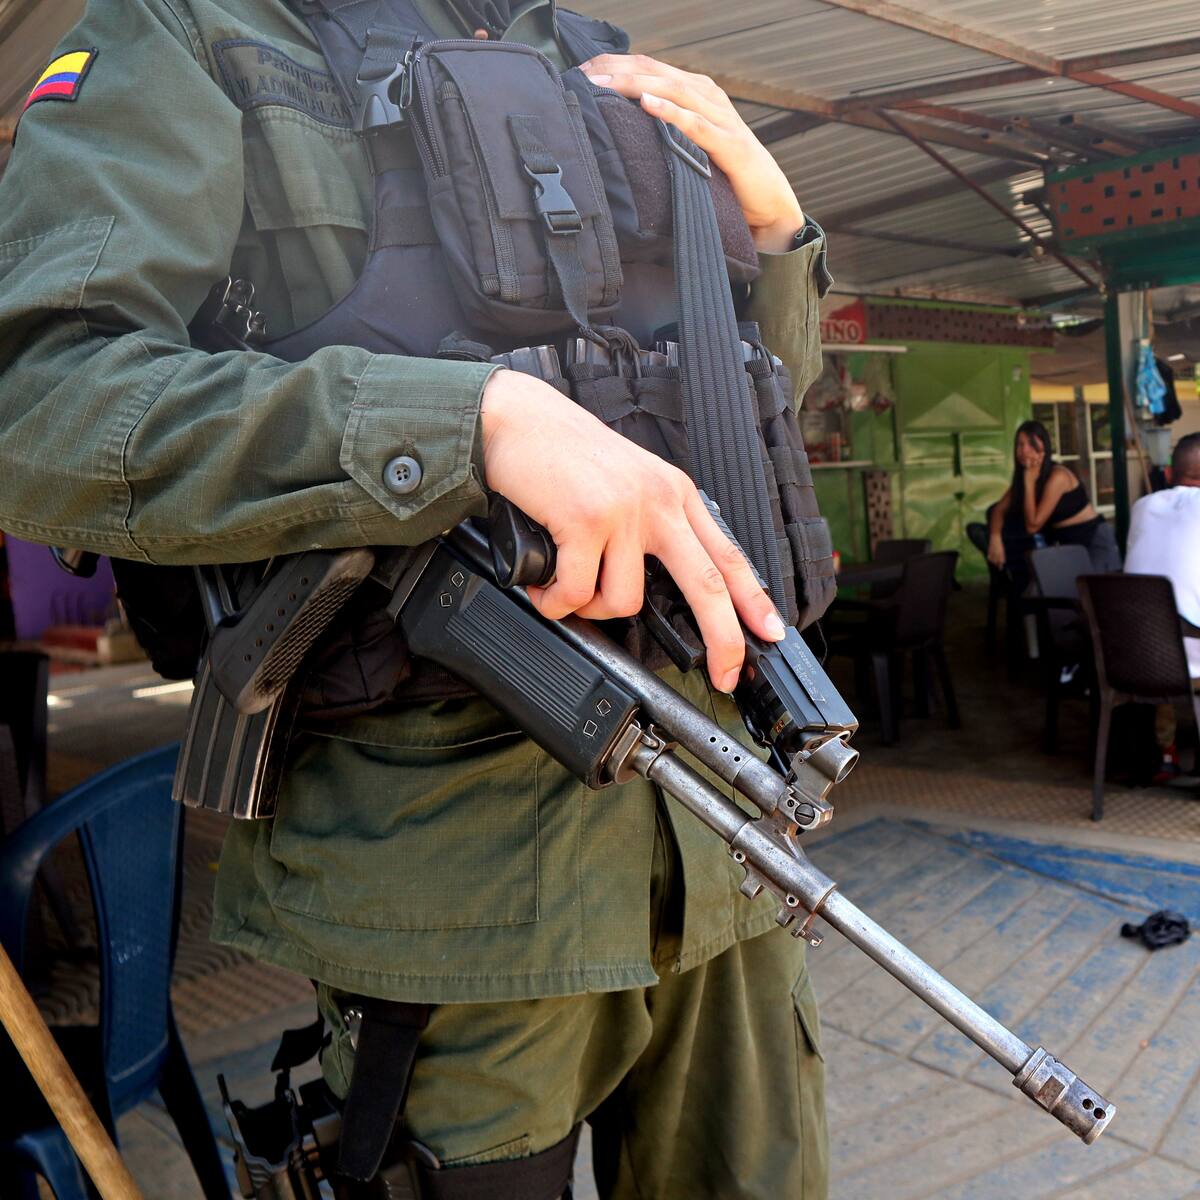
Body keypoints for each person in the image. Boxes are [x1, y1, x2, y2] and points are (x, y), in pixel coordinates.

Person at [0, 2, 832, 1196]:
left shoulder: (585, 46)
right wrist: (463, 424)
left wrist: (779, 238)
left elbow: (744, 421)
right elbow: (40, 407)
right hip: (455, 901)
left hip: (728, 849)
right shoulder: (193, 29)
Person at [1125, 431, 1200, 780]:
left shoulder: (1142, 507)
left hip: (1131, 658)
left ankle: (1165, 755)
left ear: (1169, 474)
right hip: (1188, 657)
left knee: (1163, 629)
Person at [985, 420, 1121, 580]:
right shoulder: (1023, 481)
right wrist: (995, 539)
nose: (1024, 450)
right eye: (1020, 445)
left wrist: (1029, 481)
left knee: (1095, 597)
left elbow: (1033, 525)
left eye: (1031, 443)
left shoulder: (1058, 476)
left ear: (1044, 447)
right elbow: (998, 510)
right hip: (1066, 547)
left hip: (1092, 540)